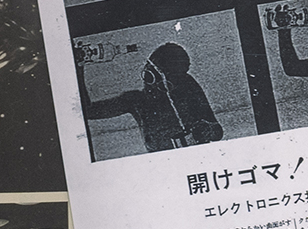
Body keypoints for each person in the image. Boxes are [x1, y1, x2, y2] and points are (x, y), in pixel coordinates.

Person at [75, 41, 222, 151]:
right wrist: (78, 69)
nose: (146, 74)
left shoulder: (187, 86)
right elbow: (88, 111)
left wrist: (207, 130)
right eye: (148, 67)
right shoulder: (137, 100)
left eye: (151, 70)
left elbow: (217, 131)